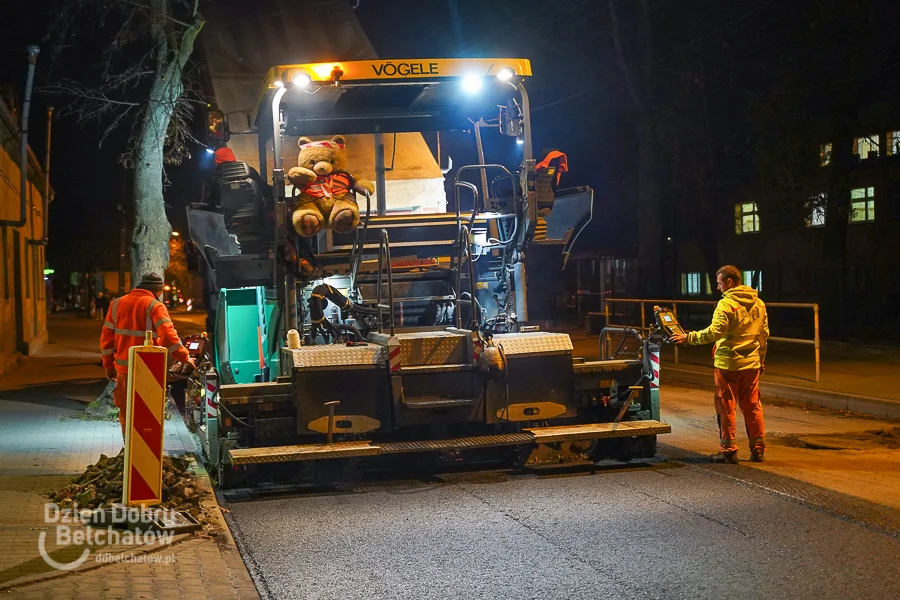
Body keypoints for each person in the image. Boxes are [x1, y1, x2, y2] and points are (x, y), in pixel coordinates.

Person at [670, 265, 769, 463]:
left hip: (728, 364)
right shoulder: (759, 303)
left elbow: (714, 333)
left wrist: (689, 338)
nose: (718, 287)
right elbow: (763, 335)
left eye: (719, 283)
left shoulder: (726, 305)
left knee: (726, 406)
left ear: (729, 282)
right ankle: (758, 449)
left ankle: (729, 450)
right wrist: (761, 360)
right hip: (752, 363)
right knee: (753, 406)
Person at [99, 273, 196, 439]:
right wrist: (184, 357)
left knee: (127, 415)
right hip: (148, 372)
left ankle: (129, 452)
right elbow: (168, 336)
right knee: (148, 418)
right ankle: (148, 458)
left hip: (124, 372)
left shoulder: (116, 304)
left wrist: (108, 367)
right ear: (157, 291)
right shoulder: (155, 306)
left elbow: (106, 340)